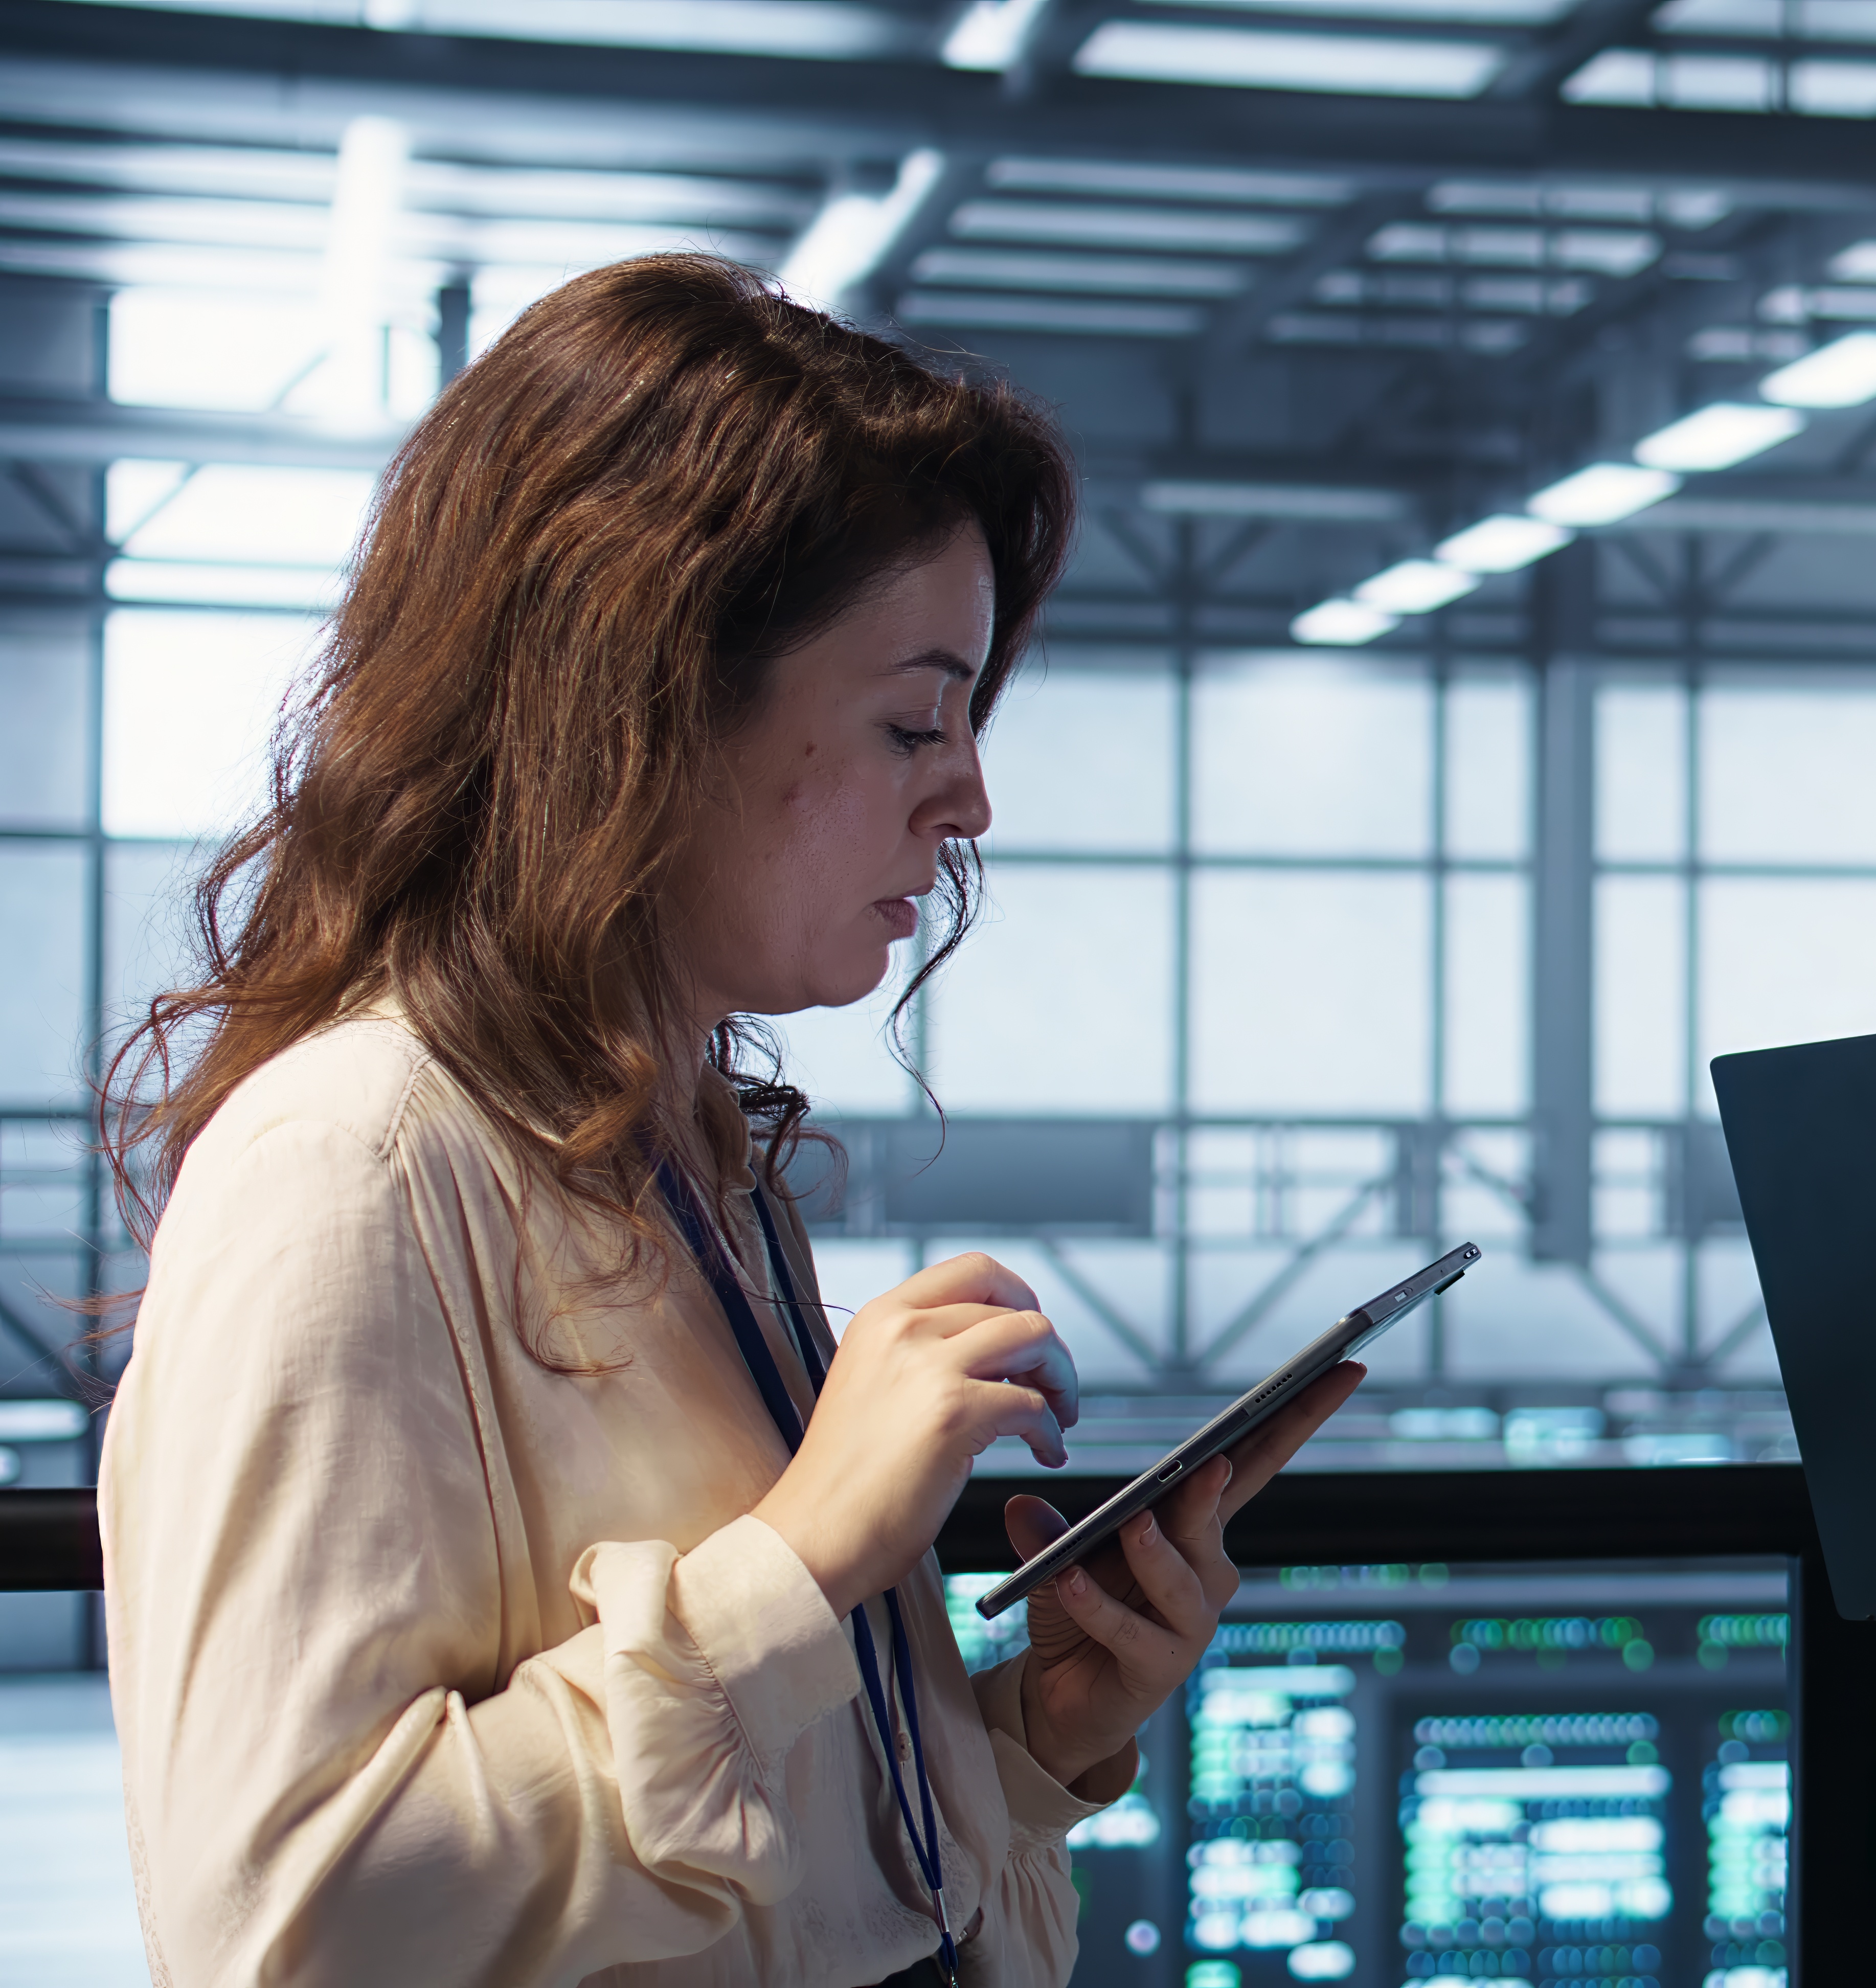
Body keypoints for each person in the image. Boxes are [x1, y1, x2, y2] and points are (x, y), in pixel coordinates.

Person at [93, 253, 1358, 1987]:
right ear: (645, 703)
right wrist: (802, 1556)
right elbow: (292, 1921)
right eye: (916, 715)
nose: (973, 794)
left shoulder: (685, 1161)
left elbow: (764, 1885)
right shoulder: (354, 1160)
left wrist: (1033, 1734)